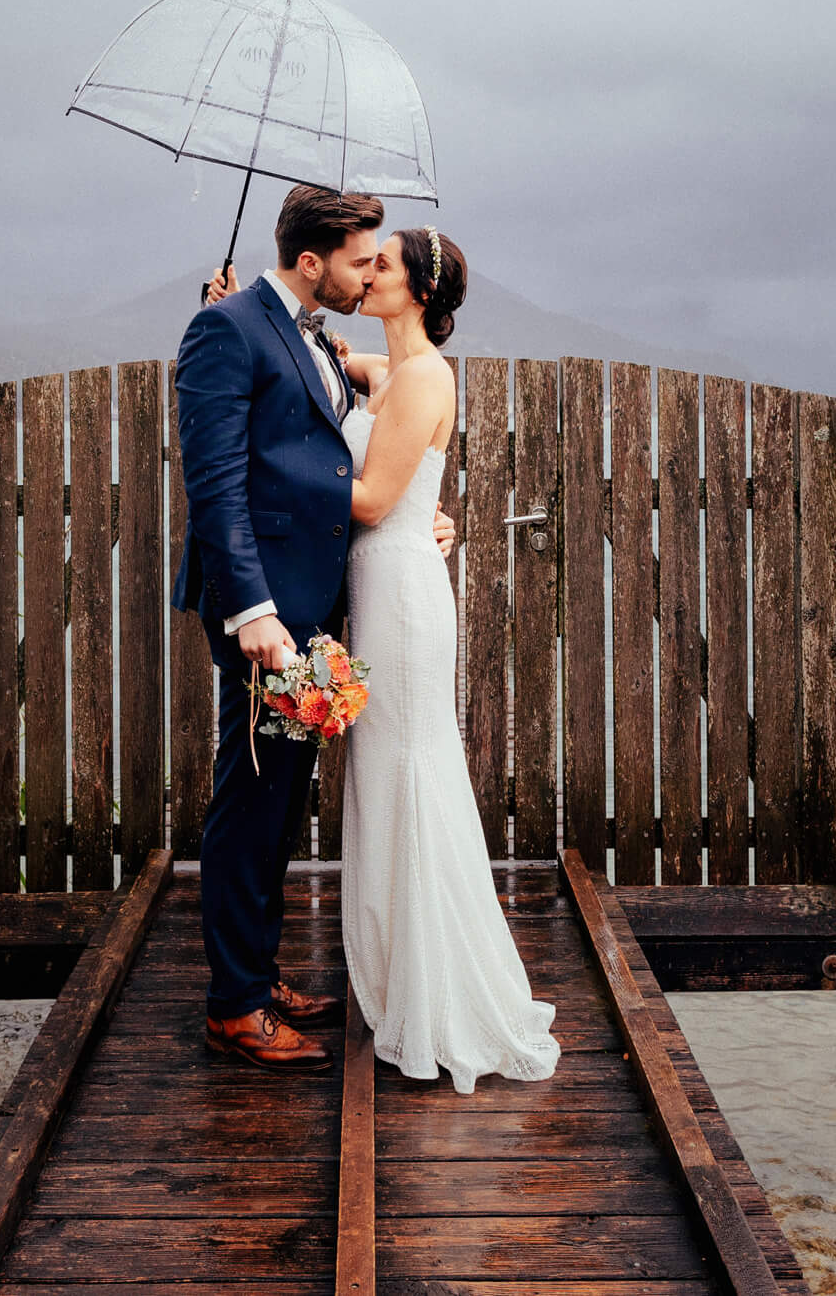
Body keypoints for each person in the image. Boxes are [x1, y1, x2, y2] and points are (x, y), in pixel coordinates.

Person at [172, 186, 455, 1071]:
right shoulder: (232, 329)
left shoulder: (310, 336)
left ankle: (257, 974)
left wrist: (422, 516)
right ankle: (235, 1006)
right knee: (249, 799)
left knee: (281, 797)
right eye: (359, 258)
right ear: (310, 262)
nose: (370, 270)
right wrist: (251, 611)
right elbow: (219, 482)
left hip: (314, 609)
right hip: (267, 618)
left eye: (382, 261)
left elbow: (341, 443)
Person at [339, 226, 560, 1092]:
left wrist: (271, 475)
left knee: (410, 771)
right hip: (388, 584)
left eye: (382, 263)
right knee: (391, 771)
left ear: (419, 290)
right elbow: (330, 355)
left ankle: (438, 993)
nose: (368, 271)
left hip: (399, 597)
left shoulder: (427, 375)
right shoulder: (392, 371)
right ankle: (403, 971)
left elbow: (374, 498)